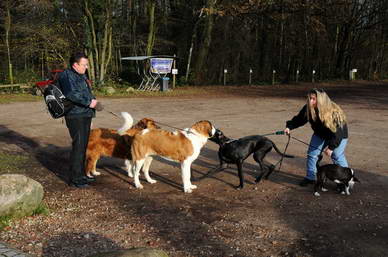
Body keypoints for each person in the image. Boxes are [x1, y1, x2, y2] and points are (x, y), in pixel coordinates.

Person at [284, 88, 349, 186]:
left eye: (313, 99)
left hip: (337, 136)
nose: (310, 101)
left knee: (336, 155)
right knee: (312, 154)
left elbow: (338, 133)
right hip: (320, 134)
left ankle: (345, 181)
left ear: (321, 100)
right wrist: (289, 127)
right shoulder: (308, 108)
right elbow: (299, 119)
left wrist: (331, 147)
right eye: (309, 98)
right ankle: (311, 177)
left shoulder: (333, 111)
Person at [59, 52, 98, 188]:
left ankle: (81, 175)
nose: (86, 67)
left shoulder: (81, 75)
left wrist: (91, 109)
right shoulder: (66, 75)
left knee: (83, 147)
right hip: (75, 116)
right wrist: (90, 103)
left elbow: (85, 93)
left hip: (84, 114)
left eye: (87, 64)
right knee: (79, 147)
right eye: (84, 64)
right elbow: (71, 94)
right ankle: (75, 179)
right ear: (75, 65)